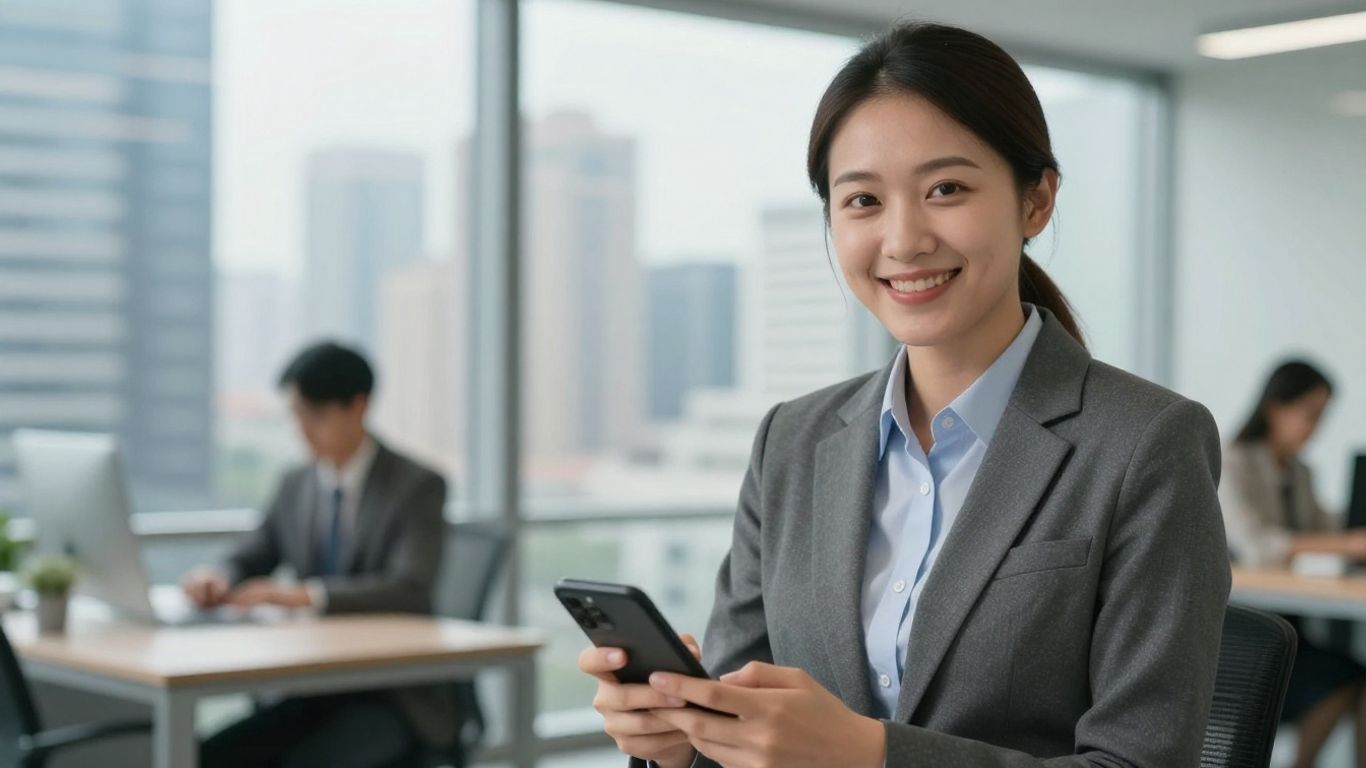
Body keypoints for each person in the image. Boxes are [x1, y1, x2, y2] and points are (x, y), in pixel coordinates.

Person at [578, 22, 1230, 768]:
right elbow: (744, 727)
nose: (904, 238)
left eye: (946, 189)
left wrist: (872, 753)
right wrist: (678, 744)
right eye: (862, 201)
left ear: (1036, 202)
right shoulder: (790, 442)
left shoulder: (1145, 443)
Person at [182, 341, 455, 768]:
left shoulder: (416, 485)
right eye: (296, 414)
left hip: (389, 697)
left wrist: (305, 596)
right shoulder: (296, 482)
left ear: (358, 406)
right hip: (308, 688)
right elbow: (254, 553)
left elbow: (411, 588)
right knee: (206, 757)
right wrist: (218, 574)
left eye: (316, 415)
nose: (302, 429)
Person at [1222, 360, 1366, 768]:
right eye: (1310, 414)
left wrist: (1350, 535)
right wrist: (1348, 543)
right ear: (1274, 407)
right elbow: (1258, 545)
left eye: (1322, 417)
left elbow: (1326, 527)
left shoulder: (1299, 472)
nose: (1315, 427)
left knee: (1352, 673)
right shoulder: (1232, 461)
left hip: (1292, 629)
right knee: (1336, 676)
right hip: (1243, 634)